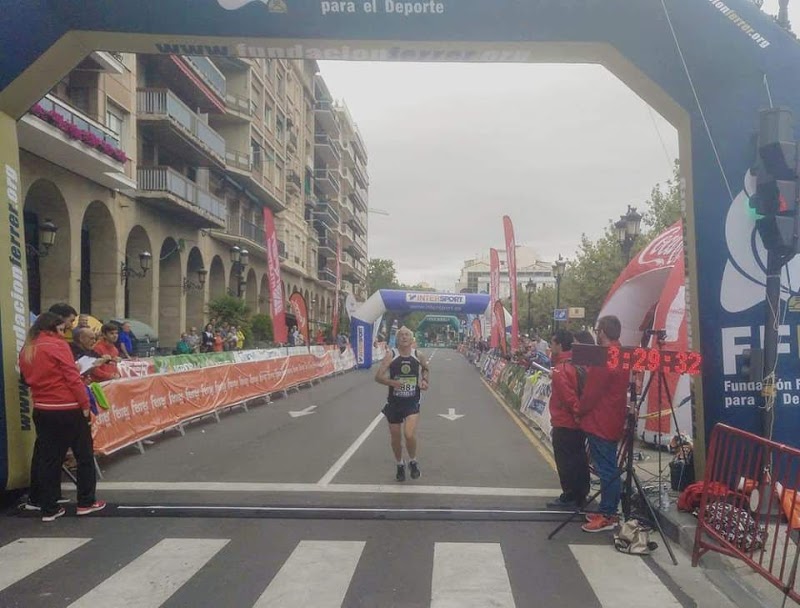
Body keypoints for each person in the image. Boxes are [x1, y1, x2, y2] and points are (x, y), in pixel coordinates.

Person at [18, 312, 105, 521]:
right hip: (68, 406)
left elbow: (27, 379)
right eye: (62, 329)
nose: (64, 333)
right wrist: (85, 404)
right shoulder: (57, 346)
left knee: (49, 458)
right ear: (53, 328)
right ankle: (86, 501)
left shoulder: (28, 349)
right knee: (83, 454)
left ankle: (48, 507)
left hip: (42, 406)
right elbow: (72, 377)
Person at [578, 315, 630, 533]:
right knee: (608, 467)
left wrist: (579, 411)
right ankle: (607, 510)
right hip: (612, 418)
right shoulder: (621, 355)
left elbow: (591, 393)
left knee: (606, 469)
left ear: (602, 332)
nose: (596, 334)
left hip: (600, 420)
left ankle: (609, 514)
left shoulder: (605, 358)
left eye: (598, 331)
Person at [374, 326, 430, 482]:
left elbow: (425, 368)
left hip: (412, 401)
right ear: (397, 339)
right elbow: (378, 377)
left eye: (407, 335)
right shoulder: (391, 355)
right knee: (396, 438)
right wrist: (392, 382)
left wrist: (424, 380)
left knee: (409, 434)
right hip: (394, 402)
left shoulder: (419, 355)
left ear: (412, 339)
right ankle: (400, 464)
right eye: (401, 335)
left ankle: (413, 461)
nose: (404, 337)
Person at [546, 329, 590, 510]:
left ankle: (570, 496)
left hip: (565, 422)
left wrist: (577, 415)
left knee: (565, 462)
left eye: (552, 343)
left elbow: (569, 398)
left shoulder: (560, 370)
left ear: (559, 345)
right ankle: (580, 494)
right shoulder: (579, 364)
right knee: (579, 459)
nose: (550, 347)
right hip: (578, 423)